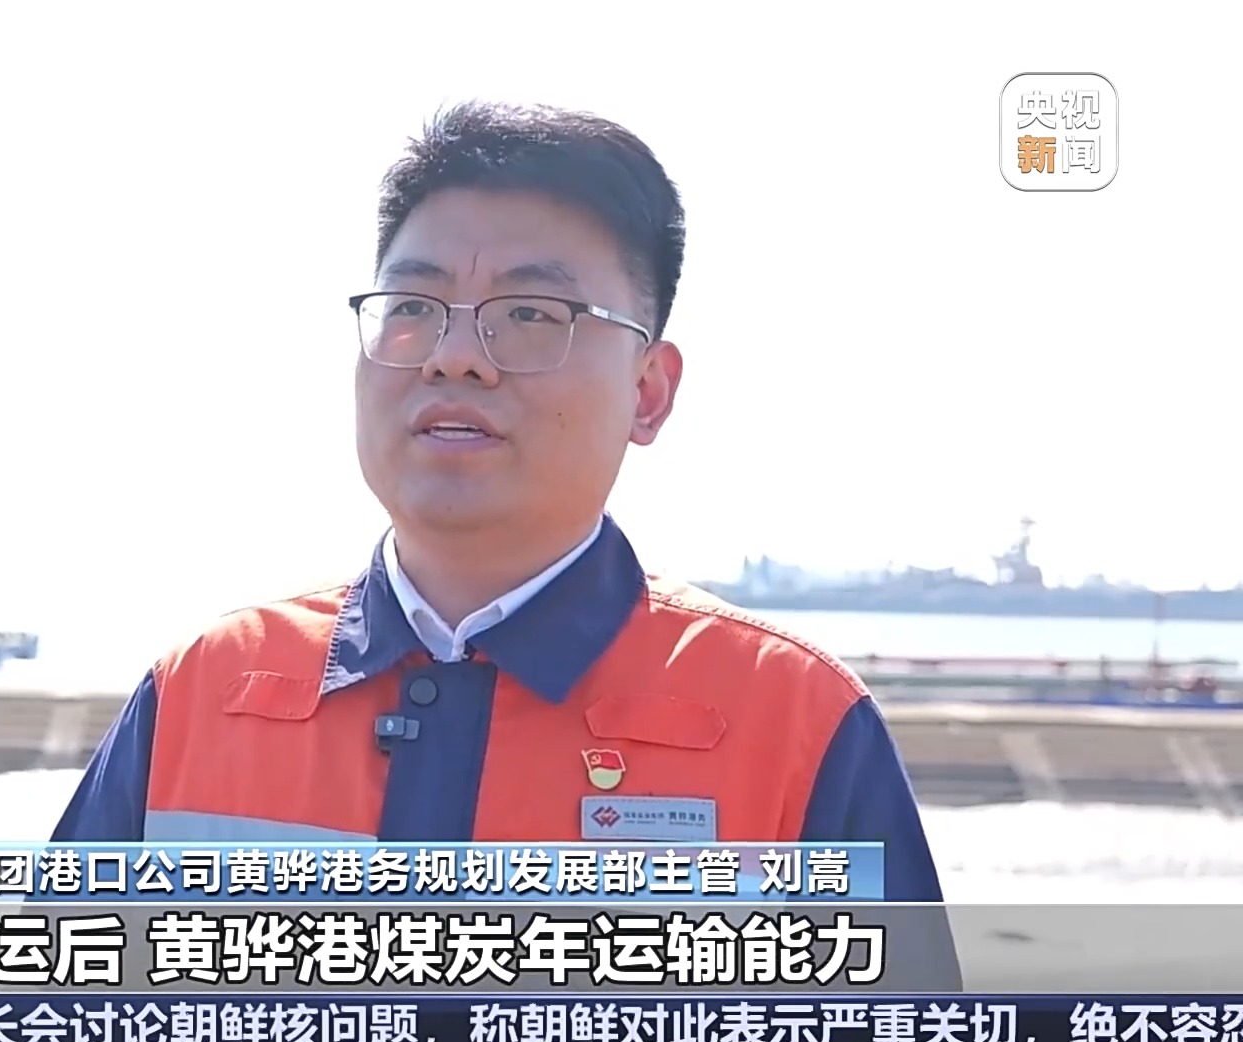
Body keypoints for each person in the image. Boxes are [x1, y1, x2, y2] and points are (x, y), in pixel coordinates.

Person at [52, 101, 948, 915]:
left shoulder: (791, 721)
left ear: (648, 392)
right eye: (414, 305)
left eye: (529, 313)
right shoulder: (202, 693)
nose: (455, 356)